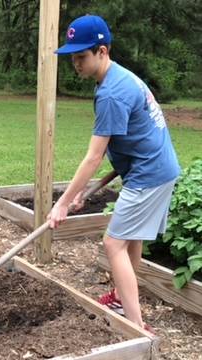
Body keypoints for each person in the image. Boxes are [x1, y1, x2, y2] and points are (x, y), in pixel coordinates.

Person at [49, 14, 180, 334]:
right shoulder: (119, 78)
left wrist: (63, 202)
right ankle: (124, 299)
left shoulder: (111, 93)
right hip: (153, 168)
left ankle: (136, 327)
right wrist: (83, 192)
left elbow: (93, 156)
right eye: (72, 57)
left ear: (102, 51)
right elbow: (131, 141)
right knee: (130, 239)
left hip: (149, 175)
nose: (75, 64)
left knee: (113, 244)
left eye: (81, 56)